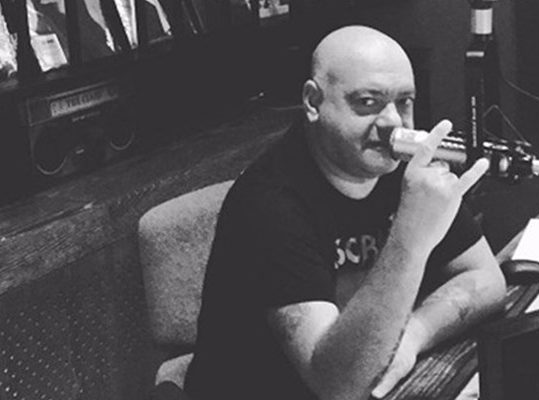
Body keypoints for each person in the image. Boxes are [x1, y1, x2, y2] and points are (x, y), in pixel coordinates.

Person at [184, 25, 506, 400]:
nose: (393, 123)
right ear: (313, 102)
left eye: (404, 102)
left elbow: (487, 279)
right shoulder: (269, 203)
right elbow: (339, 386)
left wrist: (412, 336)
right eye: (367, 102)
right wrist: (411, 238)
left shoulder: (401, 168)